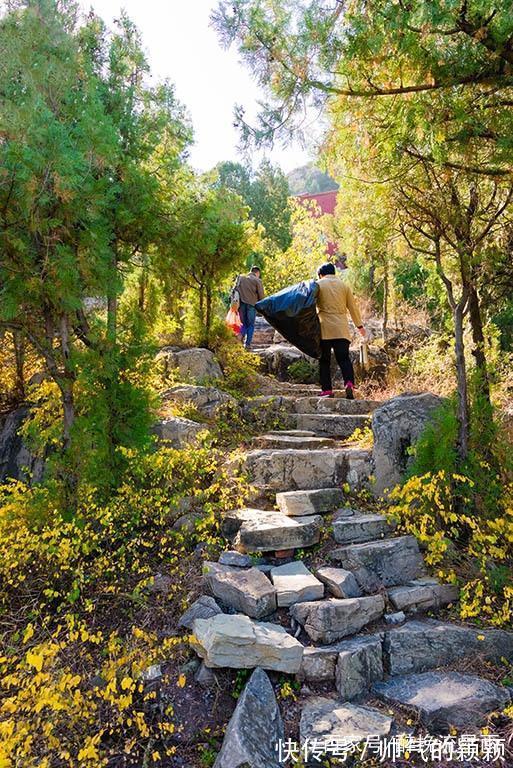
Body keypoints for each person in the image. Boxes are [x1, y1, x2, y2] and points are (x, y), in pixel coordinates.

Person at [315, 262, 366, 399]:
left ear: (321, 274)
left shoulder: (318, 285)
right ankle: (349, 383)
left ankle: (327, 390)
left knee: (324, 360)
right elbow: (353, 308)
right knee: (344, 358)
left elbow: (309, 305)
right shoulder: (344, 286)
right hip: (341, 328)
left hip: (324, 327)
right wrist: (359, 326)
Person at [235, 266, 264, 349]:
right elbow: (261, 295)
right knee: (250, 325)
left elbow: (236, 289)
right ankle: (247, 344)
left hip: (241, 304)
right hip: (251, 305)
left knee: (243, 324)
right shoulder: (257, 280)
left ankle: (240, 342)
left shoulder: (241, 278)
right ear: (257, 273)